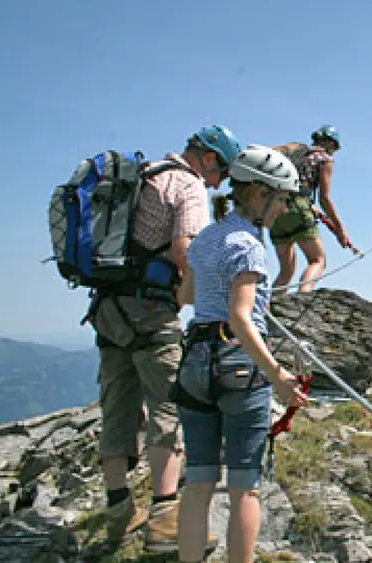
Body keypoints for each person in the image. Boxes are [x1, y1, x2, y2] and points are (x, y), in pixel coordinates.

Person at [86, 125, 242, 551]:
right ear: (209, 158)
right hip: (151, 309)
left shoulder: (144, 175)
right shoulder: (187, 183)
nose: (219, 182)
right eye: (221, 172)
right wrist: (203, 293)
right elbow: (184, 248)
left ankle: (119, 509)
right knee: (167, 405)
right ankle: (164, 515)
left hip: (107, 306)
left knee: (116, 403)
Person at [173, 144, 309, 563]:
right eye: (282, 197)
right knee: (244, 487)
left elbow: (187, 295)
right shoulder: (248, 246)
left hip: (195, 359)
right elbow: (239, 316)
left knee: (197, 484)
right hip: (238, 364)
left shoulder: (206, 238)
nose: (283, 206)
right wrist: (278, 376)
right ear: (258, 192)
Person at [270, 125, 359, 295]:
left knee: (286, 271)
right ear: (330, 143)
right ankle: (303, 297)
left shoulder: (297, 153)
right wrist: (340, 230)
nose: (333, 153)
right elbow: (324, 198)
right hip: (299, 208)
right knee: (317, 260)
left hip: (275, 210)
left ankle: (268, 311)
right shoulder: (324, 159)